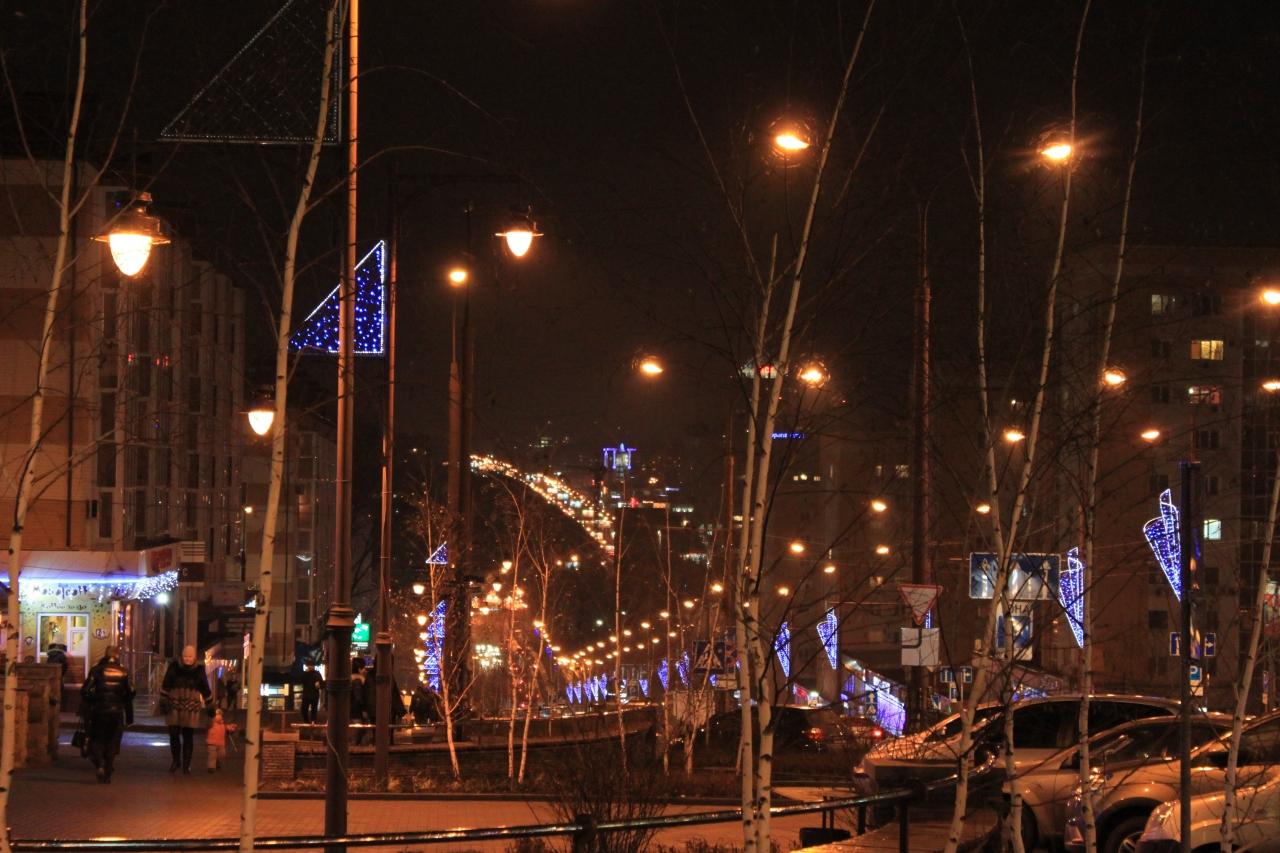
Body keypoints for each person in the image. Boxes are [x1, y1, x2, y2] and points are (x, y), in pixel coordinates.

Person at [80, 646, 134, 783]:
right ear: (117, 656)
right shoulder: (123, 672)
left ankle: (100, 763)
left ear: (105, 655)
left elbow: (85, 691)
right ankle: (108, 771)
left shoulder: (96, 670)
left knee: (97, 739)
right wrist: (122, 702)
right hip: (116, 712)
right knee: (112, 741)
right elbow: (131, 692)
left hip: (99, 711)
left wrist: (95, 699)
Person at [160, 644, 212, 774]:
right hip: (174, 703)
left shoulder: (199, 670)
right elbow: (166, 683)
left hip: (190, 706)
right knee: (173, 733)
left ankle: (186, 765)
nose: (187, 659)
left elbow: (205, 688)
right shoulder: (174, 667)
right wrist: (163, 699)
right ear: (182, 657)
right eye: (185, 656)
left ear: (194, 658)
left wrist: (210, 704)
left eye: (190, 656)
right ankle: (176, 761)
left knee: (188, 736)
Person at [205, 708, 237, 772]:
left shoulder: (223, 724)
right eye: (217, 714)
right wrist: (232, 727)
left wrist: (232, 727)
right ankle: (211, 767)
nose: (218, 716)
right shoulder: (211, 723)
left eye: (220, 714)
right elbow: (208, 724)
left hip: (220, 743)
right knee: (212, 756)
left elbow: (228, 728)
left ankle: (216, 763)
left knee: (221, 755)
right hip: (212, 743)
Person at [350, 657, 368, 744]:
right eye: (363, 668)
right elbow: (359, 697)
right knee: (357, 733)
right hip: (357, 712)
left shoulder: (350, 679)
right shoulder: (358, 681)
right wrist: (364, 709)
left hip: (351, 711)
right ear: (359, 669)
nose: (365, 670)